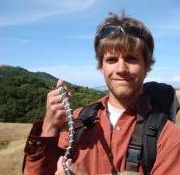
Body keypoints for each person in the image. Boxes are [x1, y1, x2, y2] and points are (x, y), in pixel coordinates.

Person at [23, 12, 180, 175]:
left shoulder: (168, 138)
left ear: (146, 66)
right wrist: (50, 127)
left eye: (131, 58)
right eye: (111, 60)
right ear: (101, 66)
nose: (121, 69)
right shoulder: (77, 122)